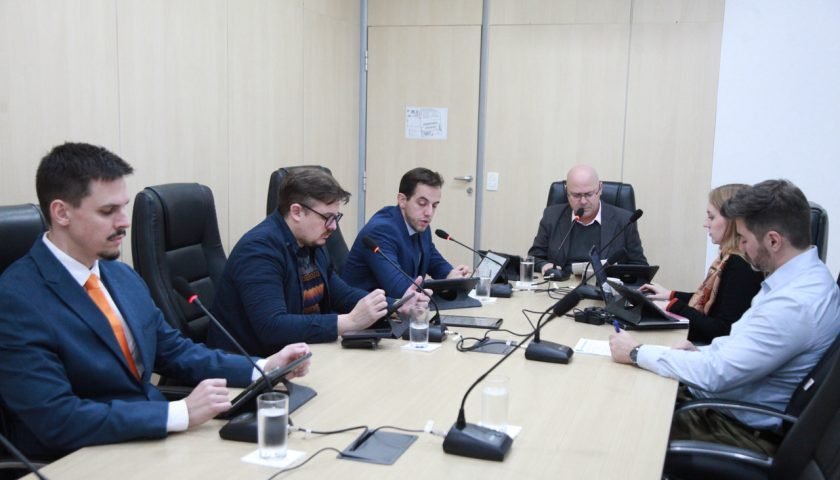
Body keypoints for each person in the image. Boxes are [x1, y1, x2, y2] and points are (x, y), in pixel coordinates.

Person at [0, 143, 312, 460]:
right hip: (79, 458)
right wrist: (178, 413)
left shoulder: (121, 276)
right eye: (108, 212)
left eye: (123, 208)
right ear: (61, 212)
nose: (124, 222)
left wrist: (263, 367)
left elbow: (175, 351)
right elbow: (57, 419)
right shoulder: (16, 299)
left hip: (150, 443)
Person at [609, 179, 840, 455]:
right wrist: (699, 352)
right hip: (726, 406)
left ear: (773, 240)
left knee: (623, 415)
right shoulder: (804, 279)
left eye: (744, 239)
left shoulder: (793, 305)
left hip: (735, 428)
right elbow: (738, 348)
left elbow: (715, 375)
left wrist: (636, 352)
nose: (740, 246)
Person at [208, 167, 423, 356]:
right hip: (250, 367)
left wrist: (396, 305)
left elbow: (341, 294)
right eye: (327, 218)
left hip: (304, 353)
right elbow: (272, 326)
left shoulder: (311, 243)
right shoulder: (259, 250)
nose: (333, 227)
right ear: (296, 211)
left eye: (336, 218)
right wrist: (348, 322)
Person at [640, 184, 764, 344]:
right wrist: (671, 295)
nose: (706, 224)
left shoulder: (740, 265)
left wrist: (672, 306)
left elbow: (723, 330)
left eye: (711, 217)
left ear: (733, 221)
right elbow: (714, 302)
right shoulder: (727, 258)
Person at [342, 167, 471, 298]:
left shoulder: (420, 224)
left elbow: (432, 258)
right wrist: (440, 288)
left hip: (397, 307)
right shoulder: (381, 230)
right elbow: (399, 288)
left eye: (434, 205)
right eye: (422, 203)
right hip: (366, 307)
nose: (429, 212)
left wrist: (451, 275)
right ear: (402, 200)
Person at [529, 165, 647, 277]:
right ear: (567, 191)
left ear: (600, 188)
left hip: (603, 288)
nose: (583, 201)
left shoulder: (625, 221)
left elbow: (639, 266)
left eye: (589, 194)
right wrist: (544, 265)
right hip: (560, 286)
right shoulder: (551, 216)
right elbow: (534, 257)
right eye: (576, 195)